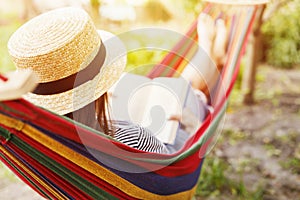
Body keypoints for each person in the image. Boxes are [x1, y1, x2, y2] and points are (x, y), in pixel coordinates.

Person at [8, 7, 227, 154]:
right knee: (180, 92)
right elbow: (168, 163)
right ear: (100, 87)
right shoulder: (130, 137)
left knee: (159, 91)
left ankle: (209, 54)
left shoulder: (39, 148)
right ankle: (210, 53)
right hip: (174, 144)